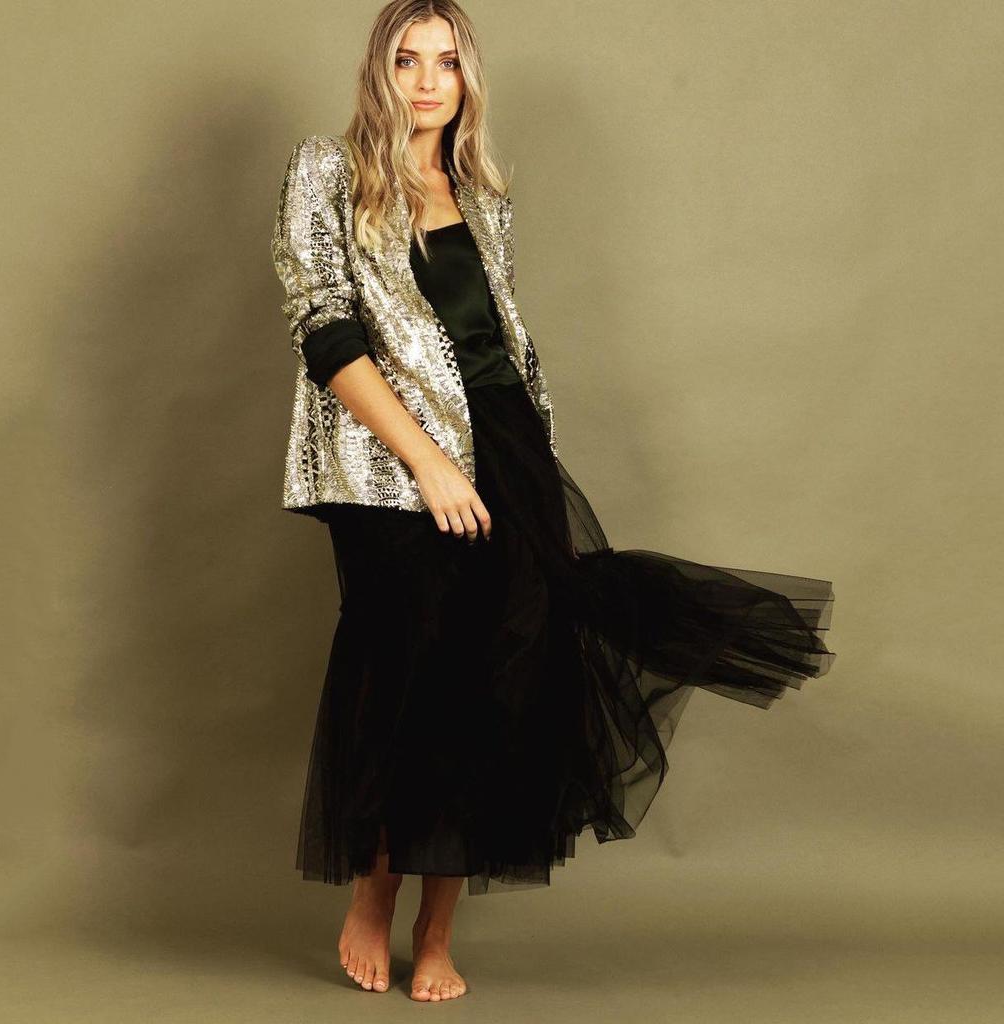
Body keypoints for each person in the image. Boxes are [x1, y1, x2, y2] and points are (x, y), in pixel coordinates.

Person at [269, 0, 836, 1003]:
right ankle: (374, 890)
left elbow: (497, 346)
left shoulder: (483, 195)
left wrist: (512, 457)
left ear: (468, 78)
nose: (428, 81)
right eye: (408, 60)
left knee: (505, 673)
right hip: (389, 463)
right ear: (378, 72)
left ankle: (437, 928)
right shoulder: (328, 169)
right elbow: (325, 331)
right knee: (404, 670)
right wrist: (429, 464)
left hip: (510, 448)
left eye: (448, 62)